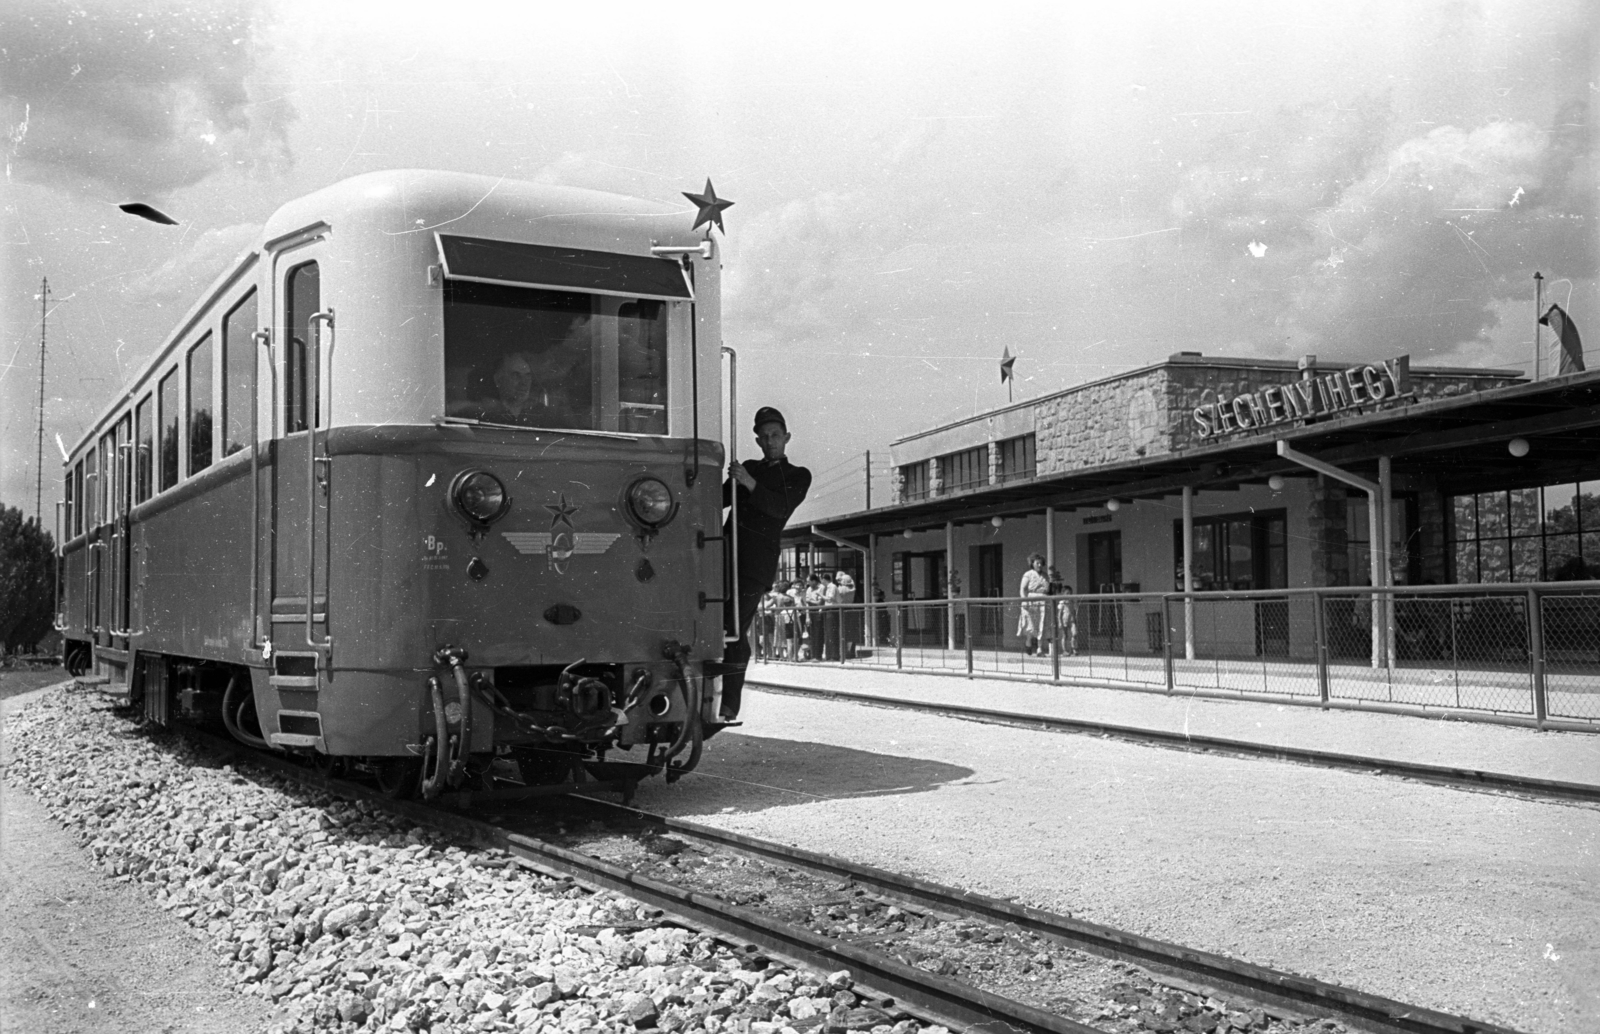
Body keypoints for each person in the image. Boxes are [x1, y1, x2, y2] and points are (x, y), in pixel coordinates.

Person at [717, 407, 812, 720]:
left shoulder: (798, 475)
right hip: (723, 556)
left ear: (786, 438)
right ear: (757, 441)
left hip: (754, 566)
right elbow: (717, 499)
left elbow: (778, 507)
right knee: (715, 624)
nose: (771, 442)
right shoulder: (749, 467)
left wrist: (747, 481)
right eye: (765, 437)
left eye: (776, 436)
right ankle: (713, 696)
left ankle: (729, 703)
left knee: (733, 627)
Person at [1016, 553, 1050, 655]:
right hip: (1031, 601)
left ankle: (1039, 649)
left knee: (1042, 624)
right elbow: (1022, 589)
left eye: (1041, 563)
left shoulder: (1045, 575)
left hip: (1043, 600)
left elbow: (1048, 589)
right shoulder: (1028, 574)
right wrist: (1024, 600)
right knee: (1031, 625)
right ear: (1032, 563)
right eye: (1037, 563)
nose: (1039, 565)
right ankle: (1028, 643)